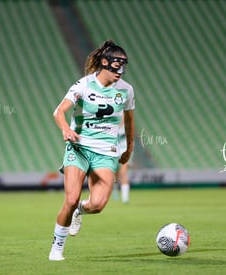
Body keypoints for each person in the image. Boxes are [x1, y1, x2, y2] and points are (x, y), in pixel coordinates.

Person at [49, 40, 135, 261]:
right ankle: (57, 248)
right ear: (105, 62)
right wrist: (66, 128)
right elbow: (59, 112)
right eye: (117, 66)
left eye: (124, 66)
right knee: (70, 198)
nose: (121, 72)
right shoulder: (83, 85)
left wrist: (129, 148)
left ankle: (80, 211)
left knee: (97, 205)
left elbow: (129, 122)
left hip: (106, 152)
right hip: (78, 148)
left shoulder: (126, 90)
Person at [115, 117, 131, 203]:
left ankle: (125, 198)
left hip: (124, 149)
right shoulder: (111, 124)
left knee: (124, 173)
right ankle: (115, 187)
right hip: (113, 150)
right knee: (116, 175)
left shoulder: (127, 125)